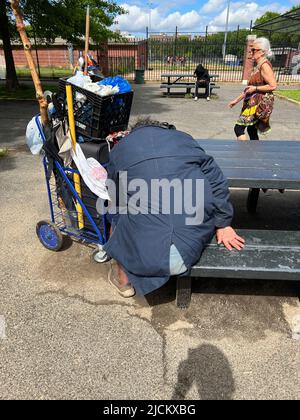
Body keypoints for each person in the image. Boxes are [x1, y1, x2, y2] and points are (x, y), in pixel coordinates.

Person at [103, 119, 245, 298]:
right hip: (189, 249)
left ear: (133, 133)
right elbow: (217, 182)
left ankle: (124, 282)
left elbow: (114, 193)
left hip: (146, 258)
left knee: (115, 212)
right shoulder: (184, 139)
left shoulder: (120, 149)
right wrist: (224, 224)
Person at [229, 37, 277, 140]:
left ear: (262, 52)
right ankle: (254, 154)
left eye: (253, 50)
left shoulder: (265, 65)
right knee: (251, 130)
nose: (251, 52)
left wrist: (255, 88)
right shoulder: (259, 66)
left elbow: (273, 85)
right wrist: (236, 100)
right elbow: (249, 89)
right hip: (253, 102)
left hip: (258, 104)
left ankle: (246, 152)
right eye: (250, 50)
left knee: (238, 129)